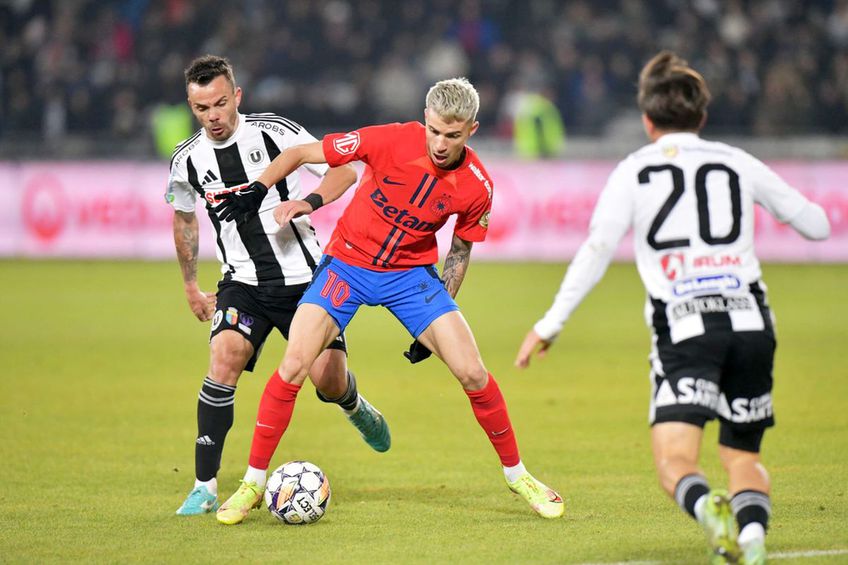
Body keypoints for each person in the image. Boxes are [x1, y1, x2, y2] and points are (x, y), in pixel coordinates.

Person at [515, 51, 831, 564]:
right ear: (702, 117)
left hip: (686, 327)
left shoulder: (634, 171)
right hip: (752, 322)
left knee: (675, 462)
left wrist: (549, 325)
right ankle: (751, 542)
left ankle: (711, 514)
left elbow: (596, 250)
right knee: (742, 456)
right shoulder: (735, 160)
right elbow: (817, 225)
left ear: (646, 119)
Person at [212, 77, 564, 525]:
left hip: (411, 277)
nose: (440, 142)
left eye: (452, 135)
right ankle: (253, 484)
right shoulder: (389, 139)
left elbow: (459, 251)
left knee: (473, 372)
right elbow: (302, 153)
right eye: (434, 130)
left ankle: (518, 475)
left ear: (471, 130)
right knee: (294, 365)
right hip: (347, 265)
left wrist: (439, 312)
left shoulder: (477, 185)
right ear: (425, 119)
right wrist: (260, 188)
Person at [166, 55, 391, 516]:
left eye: (220, 103)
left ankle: (352, 403)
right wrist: (191, 285)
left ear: (237, 97)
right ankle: (203, 485)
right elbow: (185, 218)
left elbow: (345, 170)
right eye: (201, 107)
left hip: (307, 282)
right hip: (242, 284)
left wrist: (309, 202)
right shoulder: (186, 160)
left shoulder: (275, 132)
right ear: (192, 106)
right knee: (224, 358)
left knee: (326, 381)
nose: (213, 116)